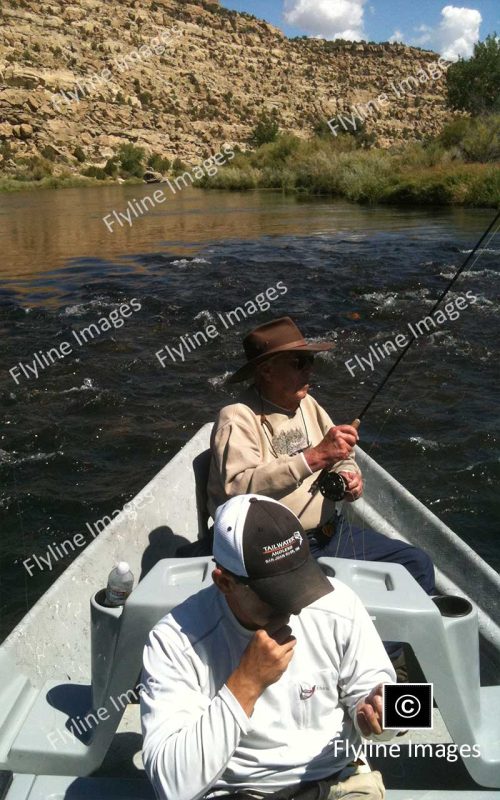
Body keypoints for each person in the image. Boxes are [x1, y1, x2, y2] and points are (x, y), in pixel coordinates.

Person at [206, 317, 435, 675]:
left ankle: (373, 658)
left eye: (310, 360)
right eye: (299, 362)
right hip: (278, 551)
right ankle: (348, 671)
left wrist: (349, 477)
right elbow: (238, 488)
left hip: (332, 534)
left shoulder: (308, 405)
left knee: (417, 565)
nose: (309, 369)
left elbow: (342, 456)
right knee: (321, 611)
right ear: (265, 370)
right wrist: (311, 458)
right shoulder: (238, 417)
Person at [141, 494, 396, 800]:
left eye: (300, 584)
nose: (295, 606)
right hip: (236, 791)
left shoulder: (337, 602)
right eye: (274, 595)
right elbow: (172, 786)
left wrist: (385, 713)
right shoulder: (174, 640)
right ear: (224, 583)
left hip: (337, 781)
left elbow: (395, 705)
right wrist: (245, 684)